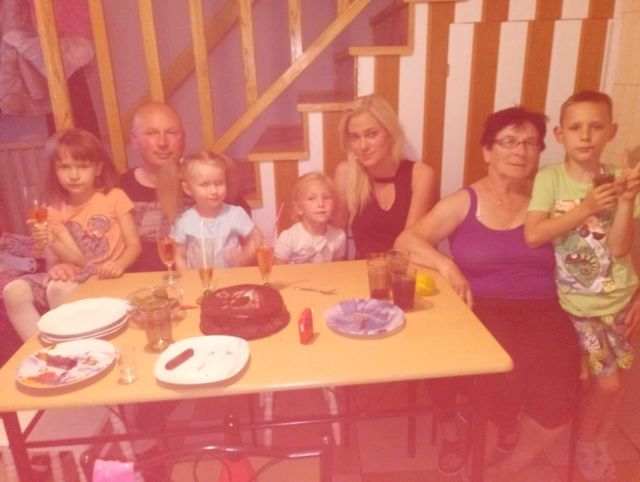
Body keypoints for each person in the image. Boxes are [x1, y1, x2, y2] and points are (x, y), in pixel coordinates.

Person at [395, 107, 580, 476]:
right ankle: (487, 435)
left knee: (560, 399)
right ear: (487, 151)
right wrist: (447, 265)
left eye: (530, 143)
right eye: (509, 141)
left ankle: (508, 464)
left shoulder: (549, 201)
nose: (520, 151)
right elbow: (405, 242)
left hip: (544, 308)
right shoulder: (464, 202)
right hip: (482, 307)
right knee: (501, 378)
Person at [525, 90, 640, 481]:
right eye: (576, 128)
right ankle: (587, 442)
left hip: (621, 298)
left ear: (611, 131)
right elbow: (534, 234)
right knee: (607, 385)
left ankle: (600, 437)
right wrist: (587, 208)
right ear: (560, 135)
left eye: (595, 127)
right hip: (579, 304)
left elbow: (621, 248)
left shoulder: (622, 180)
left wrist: (626, 200)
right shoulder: (550, 179)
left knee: (618, 382)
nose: (586, 136)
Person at [2, 128, 141, 340]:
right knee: (13, 291)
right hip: (74, 273)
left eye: (82, 167)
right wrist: (55, 264)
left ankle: (72, 348)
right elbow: (70, 260)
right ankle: (40, 349)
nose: (74, 175)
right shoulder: (52, 209)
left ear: (97, 168)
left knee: (58, 289)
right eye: (65, 167)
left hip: (101, 276)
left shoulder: (114, 197)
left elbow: (134, 245)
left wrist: (119, 264)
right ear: (54, 170)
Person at [333, 94, 435, 258]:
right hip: (360, 269)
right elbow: (336, 243)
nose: (363, 146)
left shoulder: (420, 175)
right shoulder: (346, 173)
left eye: (371, 134)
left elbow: (411, 244)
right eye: (355, 137)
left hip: (405, 266)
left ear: (390, 133)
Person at [118, 101, 185, 272]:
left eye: (171, 132)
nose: (162, 142)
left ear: (183, 138)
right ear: (134, 140)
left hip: (194, 281)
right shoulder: (117, 189)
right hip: (136, 284)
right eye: (151, 133)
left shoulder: (206, 182)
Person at [170, 151, 260, 270]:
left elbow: (257, 236)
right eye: (204, 185)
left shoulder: (235, 214)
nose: (214, 191)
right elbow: (179, 255)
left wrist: (245, 257)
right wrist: (187, 278)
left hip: (232, 277)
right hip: (199, 278)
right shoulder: (183, 221)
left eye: (218, 183)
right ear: (187, 189)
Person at [274, 172, 346, 264]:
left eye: (326, 197)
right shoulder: (288, 238)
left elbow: (339, 269)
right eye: (311, 198)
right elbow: (278, 270)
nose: (321, 204)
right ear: (299, 208)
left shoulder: (338, 236)